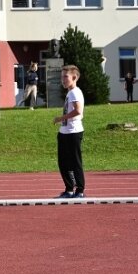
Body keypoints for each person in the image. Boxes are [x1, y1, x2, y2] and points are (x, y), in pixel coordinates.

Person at [52, 65, 86, 199]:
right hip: (65, 132)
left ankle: (80, 190)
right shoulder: (70, 92)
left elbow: (78, 110)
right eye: (62, 77)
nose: (63, 80)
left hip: (73, 132)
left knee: (75, 162)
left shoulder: (75, 92)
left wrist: (61, 118)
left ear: (74, 77)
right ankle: (69, 189)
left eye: (65, 77)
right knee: (63, 162)